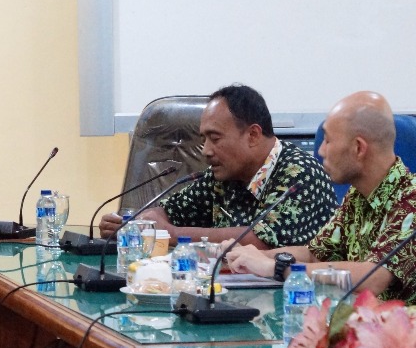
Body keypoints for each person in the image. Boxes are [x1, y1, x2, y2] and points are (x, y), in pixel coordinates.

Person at [227, 91, 416, 302]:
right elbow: (314, 253)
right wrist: (249, 255)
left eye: (327, 141)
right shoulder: (358, 194)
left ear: (358, 148)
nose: (321, 151)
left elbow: (374, 277)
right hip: (359, 324)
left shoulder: (411, 199)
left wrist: (276, 268)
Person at [98, 84, 336, 248]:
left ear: (253, 135)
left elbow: (262, 241)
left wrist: (171, 234)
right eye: (203, 139)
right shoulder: (223, 175)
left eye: (215, 138)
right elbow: (169, 211)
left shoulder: (300, 174)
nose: (205, 151)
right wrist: (135, 224)